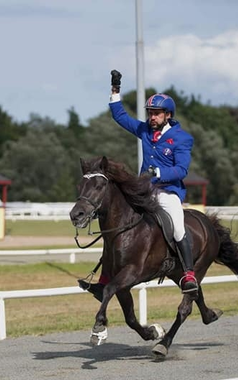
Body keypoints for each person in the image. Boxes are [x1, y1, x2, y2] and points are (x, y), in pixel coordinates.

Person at [79, 69, 198, 300]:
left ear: (168, 115)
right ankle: (104, 278)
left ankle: (188, 274)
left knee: (177, 226)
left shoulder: (182, 138)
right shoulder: (144, 130)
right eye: (150, 113)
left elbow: (182, 170)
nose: (151, 117)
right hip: (143, 190)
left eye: (156, 114)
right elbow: (120, 116)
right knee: (115, 224)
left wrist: (158, 172)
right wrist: (115, 90)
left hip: (168, 191)